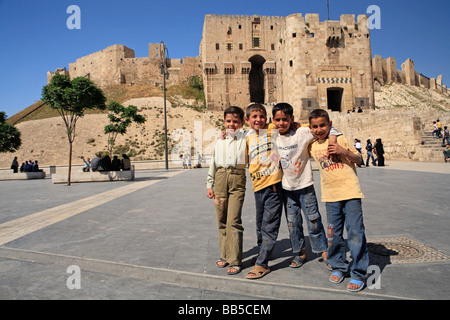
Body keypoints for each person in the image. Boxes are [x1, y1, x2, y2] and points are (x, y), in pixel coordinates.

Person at [271, 103, 339, 269]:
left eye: (285, 120)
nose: (281, 123)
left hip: (305, 186)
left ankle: (324, 251)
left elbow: (327, 129)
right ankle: (300, 253)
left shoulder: (301, 132)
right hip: (287, 189)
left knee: (313, 220)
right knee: (293, 223)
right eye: (278, 120)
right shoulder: (273, 137)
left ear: (291, 119)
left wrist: (332, 138)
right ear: (273, 120)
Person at [308, 109, 369, 292]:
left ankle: (358, 272)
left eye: (323, 125)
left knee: (355, 233)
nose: (319, 129)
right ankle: (339, 266)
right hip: (331, 196)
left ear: (330, 124)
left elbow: (359, 160)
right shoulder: (312, 146)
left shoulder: (340, 139)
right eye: (315, 126)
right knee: (333, 235)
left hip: (351, 193)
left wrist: (343, 151)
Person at [206, 106, 248, 276]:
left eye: (235, 121)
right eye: (229, 121)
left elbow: (263, 127)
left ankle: (235, 260)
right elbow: (213, 162)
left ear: (242, 122)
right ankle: (224, 255)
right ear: (224, 122)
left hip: (237, 178)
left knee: (234, 220)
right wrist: (210, 184)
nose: (232, 124)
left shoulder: (246, 137)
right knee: (221, 219)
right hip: (220, 178)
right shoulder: (219, 141)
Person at [244, 103, 283, 280]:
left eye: (261, 116)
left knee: (269, 225)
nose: (258, 119)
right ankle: (263, 251)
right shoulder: (247, 137)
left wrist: (297, 124)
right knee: (260, 224)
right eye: (254, 117)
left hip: (273, 186)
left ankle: (263, 263)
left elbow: (291, 124)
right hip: (257, 187)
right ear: (247, 120)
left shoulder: (272, 128)